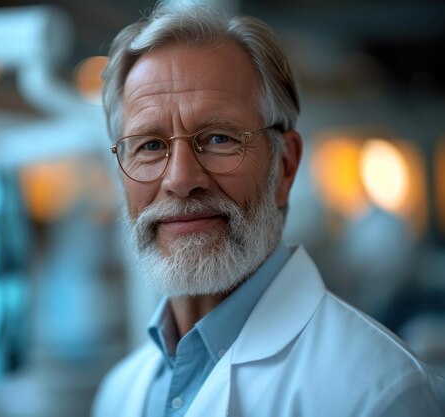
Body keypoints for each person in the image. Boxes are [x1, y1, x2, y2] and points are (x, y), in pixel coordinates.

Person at [91, 3, 445, 417]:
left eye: (220, 138)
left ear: (286, 166)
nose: (181, 179)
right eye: (149, 145)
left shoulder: (381, 393)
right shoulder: (119, 393)